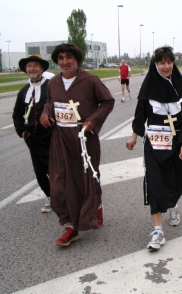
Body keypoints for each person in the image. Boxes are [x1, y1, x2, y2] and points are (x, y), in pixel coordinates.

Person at [40, 43, 114, 247]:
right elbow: (49, 101)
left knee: (86, 180)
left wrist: (93, 120)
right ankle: (70, 225)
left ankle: (95, 205)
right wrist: (46, 114)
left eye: (69, 57)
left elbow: (108, 102)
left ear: (77, 60)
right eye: (61, 58)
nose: (65, 61)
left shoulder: (90, 80)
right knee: (58, 183)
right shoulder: (53, 83)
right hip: (60, 140)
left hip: (83, 140)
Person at [126, 46, 182, 251]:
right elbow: (140, 115)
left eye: (169, 62)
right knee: (154, 183)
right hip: (155, 146)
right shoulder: (148, 88)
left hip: (178, 145)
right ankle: (157, 231)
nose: (166, 66)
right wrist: (134, 136)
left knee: (177, 181)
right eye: (161, 62)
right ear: (155, 64)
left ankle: (173, 204)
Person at [13, 56, 53, 213]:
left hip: (51, 136)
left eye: (35, 66)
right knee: (39, 171)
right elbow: (17, 114)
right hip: (32, 138)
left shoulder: (51, 86)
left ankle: (63, 196)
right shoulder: (23, 91)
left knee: (55, 170)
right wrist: (22, 132)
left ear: (42, 69)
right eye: (29, 66)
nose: (32, 69)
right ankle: (49, 196)